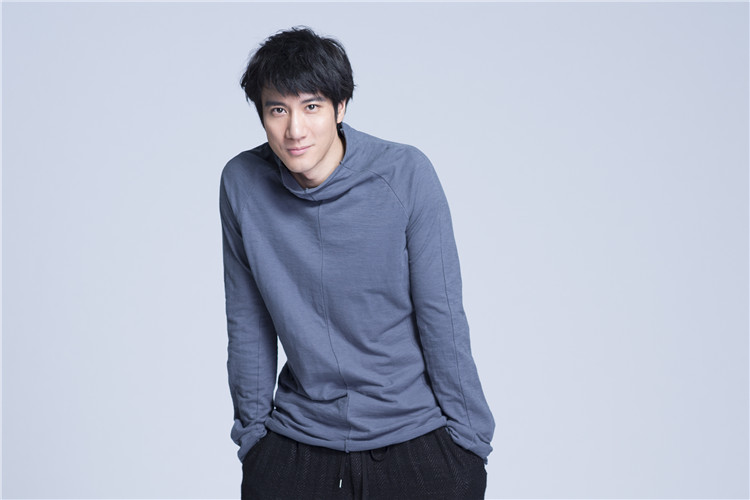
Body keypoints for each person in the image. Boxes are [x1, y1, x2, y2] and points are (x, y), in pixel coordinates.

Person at [220, 26, 495, 500]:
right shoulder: (243, 183)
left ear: (341, 107)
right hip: (296, 446)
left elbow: (443, 315)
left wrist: (470, 442)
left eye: (311, 107)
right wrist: (253, 440)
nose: (295, 130)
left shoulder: (405, 175)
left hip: (415, 442)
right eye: (277, 110)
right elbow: (247, 321)